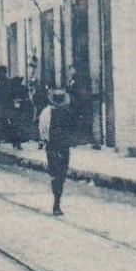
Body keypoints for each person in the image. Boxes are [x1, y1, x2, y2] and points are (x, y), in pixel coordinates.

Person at [38, 88, 75, 216]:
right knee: (61, 174)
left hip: (52, 146)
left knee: (55, 174)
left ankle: (56, 203)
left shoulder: (46, 113)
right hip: (64, 147)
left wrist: (44, 141)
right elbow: (72, 129)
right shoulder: (67, 112)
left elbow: (43, 130)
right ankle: (57, 203)